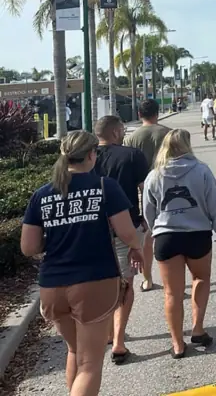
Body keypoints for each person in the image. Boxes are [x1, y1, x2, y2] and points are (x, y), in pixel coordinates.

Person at [21, 131, 143, 396]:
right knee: (90, 364)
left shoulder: (42, 194)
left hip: (52, 286)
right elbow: (126, 231)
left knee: (75, 351)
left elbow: (29, 247)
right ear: (91, 155)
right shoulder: (104, 186)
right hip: (94, 281)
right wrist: (136, 247)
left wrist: (55, 240)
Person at [142, 129, 216, 358]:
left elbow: (148, 210)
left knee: (172, 293)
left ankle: (177, 343)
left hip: (166, 237)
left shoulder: (155, 175)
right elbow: (215, 204)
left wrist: (156, 230)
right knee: (201, 279)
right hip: (197, 234)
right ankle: (198, 328)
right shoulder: (201, 170)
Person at [93, 116, 150, 365]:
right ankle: (118, 341)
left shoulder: (84, 157)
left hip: (93, 231)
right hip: (126, 226)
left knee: (103, 283)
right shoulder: (132, 155)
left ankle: (107, 333)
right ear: (117, 132)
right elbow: (144, 190)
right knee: (125, 283)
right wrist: (147, 220)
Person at [125, 98, 171, 293]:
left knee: (148, 237)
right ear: (157, 113)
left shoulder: (131, 138)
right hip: (168, 186)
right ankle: (172, 279)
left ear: (139, 115)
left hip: (144, 191)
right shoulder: (168, 133)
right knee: (171, 232)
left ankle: (148, 278)